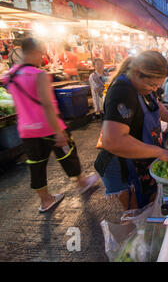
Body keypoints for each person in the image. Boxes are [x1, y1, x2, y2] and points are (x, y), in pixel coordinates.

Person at [2, 38, 99, 213]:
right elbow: (47, 104)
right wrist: (58, 131)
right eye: (41, 54)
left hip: (26, 130)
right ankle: (82, 183)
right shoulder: (38, 75)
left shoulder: (10, 75)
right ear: (36, 52)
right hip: (48, 127)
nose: (42, 58)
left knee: (36, 164)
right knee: (68, 154)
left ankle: (45, 200)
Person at [94, 51, 168, 212]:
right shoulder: (122, 91)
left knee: (147, 207)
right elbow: (113, 140)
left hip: (141, 161)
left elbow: (157, 107)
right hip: (121, 166)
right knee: (134, 214)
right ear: (137, 73)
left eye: (157, 86)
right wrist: (160, 152)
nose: (154, 89)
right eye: (152, 85)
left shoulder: (144, 88)